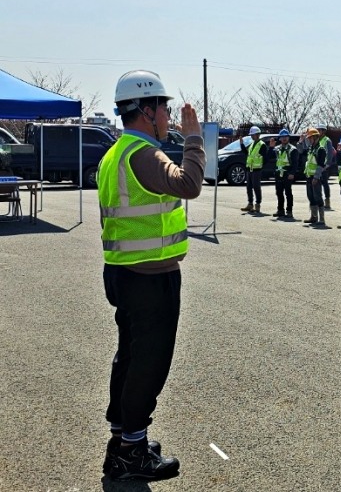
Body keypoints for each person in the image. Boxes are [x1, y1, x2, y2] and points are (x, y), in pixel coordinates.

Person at [99, 70, 204, 480]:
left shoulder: (118, 151)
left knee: (129, 356)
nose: (170, 116)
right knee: (149, 361)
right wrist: (193, 138)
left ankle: (125, 437)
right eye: (165, 108)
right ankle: (132, 452)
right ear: (147, 110)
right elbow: (190, 184)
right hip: (149, 277)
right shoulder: (144, 153)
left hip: (126, 272)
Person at [270, 129, 298, 220]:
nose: (284, 138)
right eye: (282, 137)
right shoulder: (277, 149)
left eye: (286, 137)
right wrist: (271, 147)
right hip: (279, 174)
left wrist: (292, 173)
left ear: (288, 138)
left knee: (288, 193)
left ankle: (289, 211)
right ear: (280, 139)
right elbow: (268, 157)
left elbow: (295, 163)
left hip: (287, 174)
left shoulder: (292, 149)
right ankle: (280, 210)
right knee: (279, 192)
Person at [303, 127, 328, 227]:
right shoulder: (311, 148)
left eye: (310, 138)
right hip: (309, 176)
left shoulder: (320, 149)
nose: (309, 140)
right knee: (311, 197)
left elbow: (320, 165)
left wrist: (316, 177)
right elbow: (302, 151)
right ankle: (313, 217)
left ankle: (321, 219)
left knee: (318, 197)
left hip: (315, 178)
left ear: (316, 137)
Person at [240, 126, 267, 213]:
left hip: (257, 169)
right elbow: (247, 154)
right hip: (250, 169)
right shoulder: (252, 144)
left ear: (257, 135)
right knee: (249, 188)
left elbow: (265, 158)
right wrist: (241, 144)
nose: (251, 136)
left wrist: (261, 166)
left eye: (253, 135)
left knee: (256, 187)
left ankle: (257, 205)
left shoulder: (262, 145)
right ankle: (250, 204)